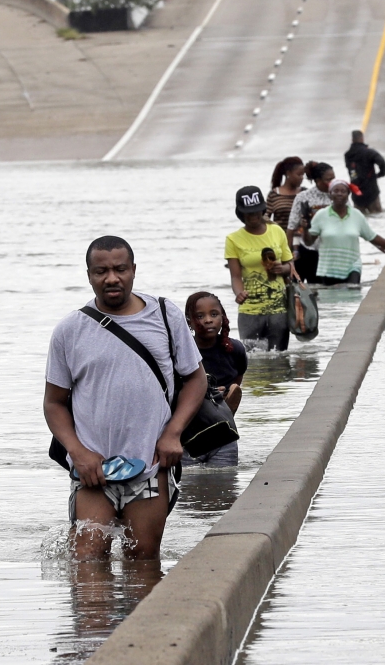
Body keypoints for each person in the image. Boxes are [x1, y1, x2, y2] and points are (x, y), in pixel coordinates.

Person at [43, 236, 207, 561]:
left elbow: (195, 379)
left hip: (151, 464)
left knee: (143, 562)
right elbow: (54, 403)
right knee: (88, 562)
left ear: (133, 270)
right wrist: (78, 452)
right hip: (93, 470)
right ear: (89, 275)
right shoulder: (70, 330)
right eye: (101, 271)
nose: (112, 278)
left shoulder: (164, 315)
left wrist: (173, 433)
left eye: (120, 269)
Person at [225, 186, 297, 351]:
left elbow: (292, 267)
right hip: (249, 311)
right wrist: (239, 293)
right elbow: (235, 277)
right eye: (249, 213)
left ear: (263, 210)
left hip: (279, 309)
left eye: (257, 212)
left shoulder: (277, 231)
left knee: (279, 358)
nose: (254, 216)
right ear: (241, 214)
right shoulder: (233, 239)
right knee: (253, 361)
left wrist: (283, 268)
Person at [305, 180, 385, 285]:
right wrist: (305, 229)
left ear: (348, 194)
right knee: (332, 300)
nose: (339, 194)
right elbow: (309, 242)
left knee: (353, 291)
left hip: (352, 266)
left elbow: (372, 236)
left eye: (343, 191)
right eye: (336, 191)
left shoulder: (356, 215)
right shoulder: (321, 215)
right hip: (328, 268)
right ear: (330, 194)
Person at [185, 291, 245, 467]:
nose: (208, 320)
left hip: (222, 428)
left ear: (223, 318)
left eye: (214, 314)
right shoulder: (182, 351)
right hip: (189, 430)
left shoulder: (235, 350)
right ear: (189, 321)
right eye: (200, 316)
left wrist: (221, 399)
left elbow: (237, 383)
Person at [286, 162, 335, 284]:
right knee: (304, 290)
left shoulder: (339, 194)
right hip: (308, 251)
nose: (333, 182)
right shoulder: (303, 197)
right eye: (329, 179)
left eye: (334, 178)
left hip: (332, 252)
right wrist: (287, 256)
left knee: (329, 292)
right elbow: (291, 227)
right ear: (318, 180)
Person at [343, 130, 385, 213]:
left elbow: (351, 171)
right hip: (371, 192)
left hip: (357, 193)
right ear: (362, 138)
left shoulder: (347, 155)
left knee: (360, 217)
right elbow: (381, 161)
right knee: (377, 215)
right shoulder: (369, 152)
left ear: (352, 140)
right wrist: (381, 174)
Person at [267, 157, 304, 233]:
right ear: (288, 173)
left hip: (301, 240)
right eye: (299, 174)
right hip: (279, 239)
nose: (301, 178)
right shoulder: (274, 194)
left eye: (303, 175)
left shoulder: (304, 193)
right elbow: (265, 216)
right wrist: (274, 226)